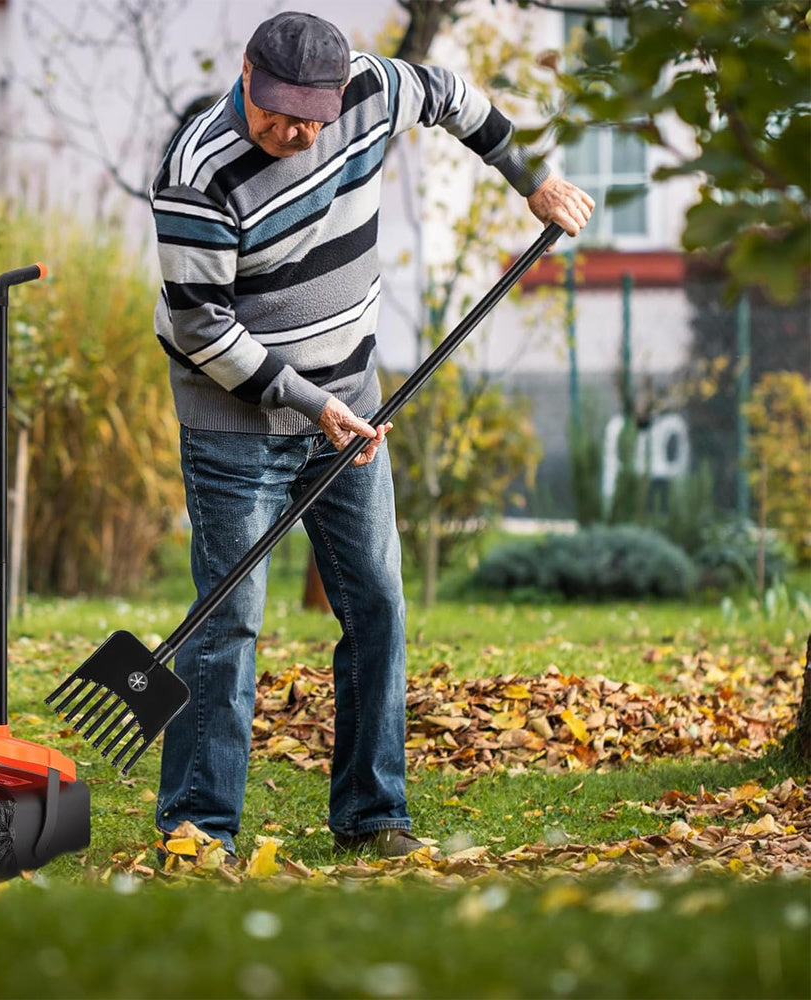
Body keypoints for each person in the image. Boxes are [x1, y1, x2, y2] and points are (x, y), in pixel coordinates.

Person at [150, 10, 593, 862]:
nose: (295, 131)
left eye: (311, 116)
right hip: (237, 424)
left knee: (379, 604)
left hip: (349, 405)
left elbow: (456, 97)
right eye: (279, 112)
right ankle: (200, 827)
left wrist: (528, 179)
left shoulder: (373, 89)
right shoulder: (197, 172)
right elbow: (200, 329)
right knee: (230, 619)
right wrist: (308, 404)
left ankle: (372, 814)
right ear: (248, 76)